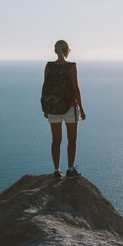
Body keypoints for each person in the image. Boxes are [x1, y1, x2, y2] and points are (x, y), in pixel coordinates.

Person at [41, 40, 86, 179]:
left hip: (53, 108)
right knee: (72, 140)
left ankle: (56, 170)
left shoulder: (49, 66)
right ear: (67, 51)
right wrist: (82, 109)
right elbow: (75, 88)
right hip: (70, 108)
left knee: (56, 140)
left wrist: (45, 108)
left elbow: (45, 87)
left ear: (55, 51)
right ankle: (70, 169)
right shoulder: (71, 67)